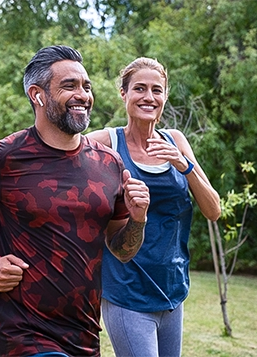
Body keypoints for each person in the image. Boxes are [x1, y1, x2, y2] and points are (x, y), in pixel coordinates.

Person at [0, 45, 150, 357]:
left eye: (86, 86)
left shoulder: (110, 163)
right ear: (37, 94)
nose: (83, 95)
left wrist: (138, 218)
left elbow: (122, 250)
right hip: (24, 335)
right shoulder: (1, 158)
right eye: (69, 86)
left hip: (85, 336)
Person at [86, 57, 221, 357]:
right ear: (124, 94)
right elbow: (59, 155)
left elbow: (213, 210)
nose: (149, 97)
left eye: (157, 90)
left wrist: (184, 165)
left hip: (172, 291)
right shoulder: (106, 142)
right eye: (139, 88)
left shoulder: (176, 141)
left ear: (165, 96)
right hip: (127, 293)